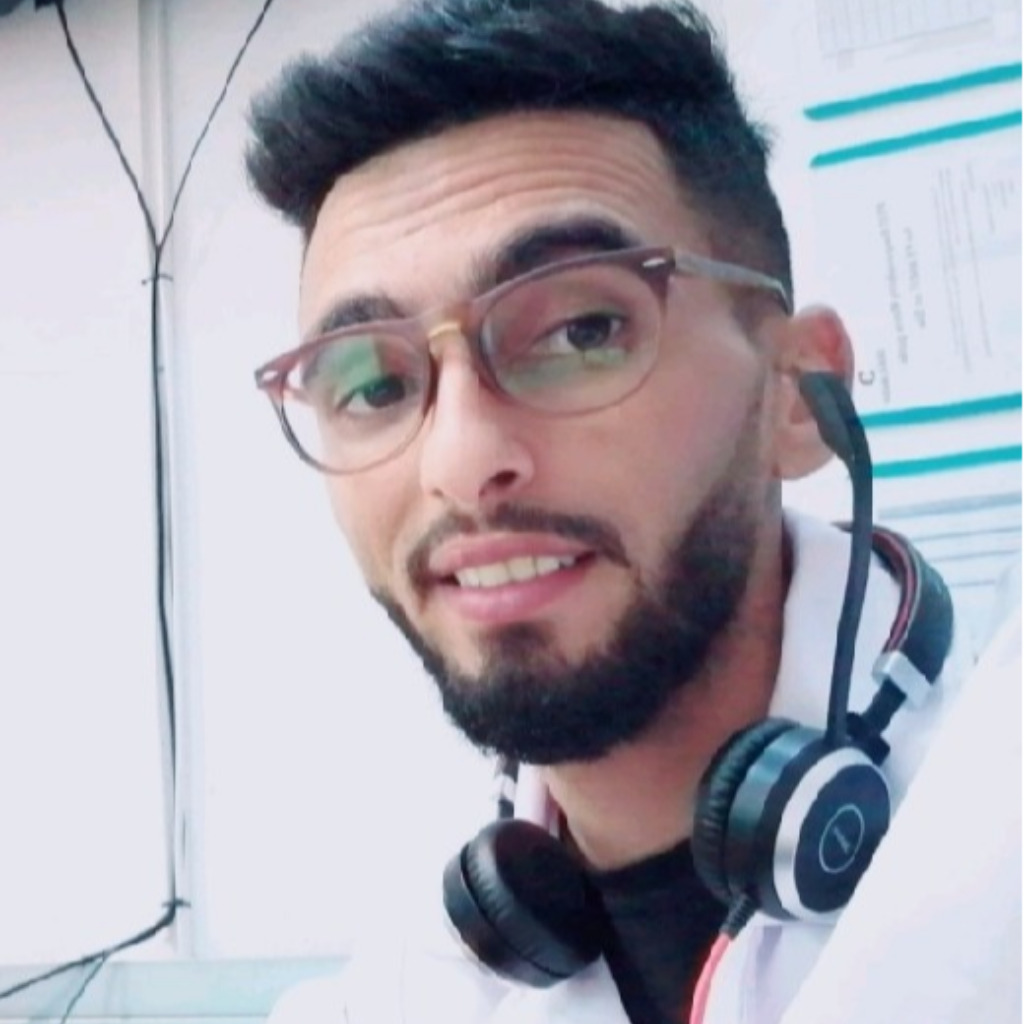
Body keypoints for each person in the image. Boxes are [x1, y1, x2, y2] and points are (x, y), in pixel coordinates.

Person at [243, 1, 975, 1021]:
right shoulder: (405, 993)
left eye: (581, 331)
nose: (460, 462)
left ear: (797, 397)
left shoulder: (990, 846)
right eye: (373, 385)